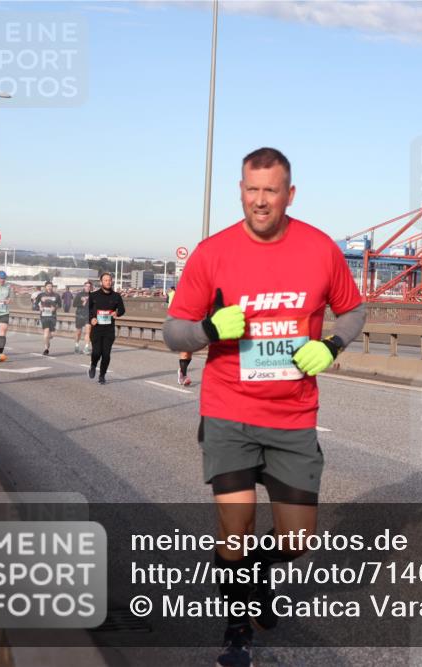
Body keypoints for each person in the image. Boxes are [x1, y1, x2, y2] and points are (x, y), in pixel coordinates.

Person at [163, 148, 365, 667]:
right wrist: (208, 330)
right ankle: (236, 633)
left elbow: (353, 311)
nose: (260, 201)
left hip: (293, 416)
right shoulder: (213, 253)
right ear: (240, 190)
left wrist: (334, 347)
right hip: (229, 410)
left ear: (288, 194)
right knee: (235, 530)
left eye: (270, 190)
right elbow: (171, 331)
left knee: (297, 539)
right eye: (251, 190)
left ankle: (253, 572)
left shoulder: (320, 249)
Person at [88, 272, 125, 384]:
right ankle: (93, 365)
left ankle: (102, 375)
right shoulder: (93, 296)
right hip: (97, 329)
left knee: (106, 354)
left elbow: (122, 310)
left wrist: (116, 313)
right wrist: (91, 319)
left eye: (110, 280)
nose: (108, 282)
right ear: (101, 282)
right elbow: (87, 311)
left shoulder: (116, 296)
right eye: (106, 280)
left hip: (109, 329)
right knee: (96, 352)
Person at [168, 285, 193, 385]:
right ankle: (184, 376)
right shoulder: (179, 297)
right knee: (185, 352)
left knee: (190, 354)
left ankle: (181, 371)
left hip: (194, 326)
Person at [33, 281, 63, 356]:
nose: (49, 287)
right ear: (45, 287)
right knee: (46, 334)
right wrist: (40, 307)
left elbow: (60, 305)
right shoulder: (41, 295)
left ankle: (48, 341)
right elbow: (35, 305)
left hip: (52, 316)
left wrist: (55, 308)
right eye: (48, 286)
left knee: (51, 334)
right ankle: (46, 349)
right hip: (44, 316)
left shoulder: (56, 295)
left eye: (51, 286)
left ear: (52, 287)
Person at [74, 281, 92, 354]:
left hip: (88, 315)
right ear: (84, 287)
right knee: (78, 332)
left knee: (88, 331)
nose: (88, 287)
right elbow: (74, 304)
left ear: (91, 287)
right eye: (86, 286)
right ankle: (76, 345)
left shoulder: (93, 295)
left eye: (89, 286)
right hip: (80, 315)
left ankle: (86, 347)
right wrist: (82, 303)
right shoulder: (79, 295)